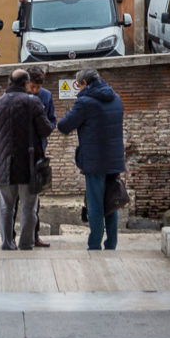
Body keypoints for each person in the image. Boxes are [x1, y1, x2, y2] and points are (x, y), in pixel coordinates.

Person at [0, 68, 53, 250]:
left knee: (6, 208)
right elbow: (46, 130)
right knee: (28, 208)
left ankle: (7, 243)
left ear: (9, 82)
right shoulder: (33, 102)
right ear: (26, 83)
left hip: (3, 165)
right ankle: (26, 243)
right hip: (29, 165)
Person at [57, 67, 125, 251]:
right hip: (114, 159)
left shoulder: (85, 102)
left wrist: (73, 108)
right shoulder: (116, 98)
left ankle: (94, 244)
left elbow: (63, 126)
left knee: (95, 204)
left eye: (78, 86)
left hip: (95, 161)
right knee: (112, 201)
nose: (78, 89)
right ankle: (111, 243)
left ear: (84, 83)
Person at [26, 67, 56, 247]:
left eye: (38, 87)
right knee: (16, 199)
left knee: (36, 196)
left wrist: (46, 130)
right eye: (32, 87)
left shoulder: (46, 96)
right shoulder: (20, 96)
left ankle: (34, 236)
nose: (35, 91)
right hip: (21, 151)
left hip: (39, 152)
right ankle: (12, 236)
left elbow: (52, 120)